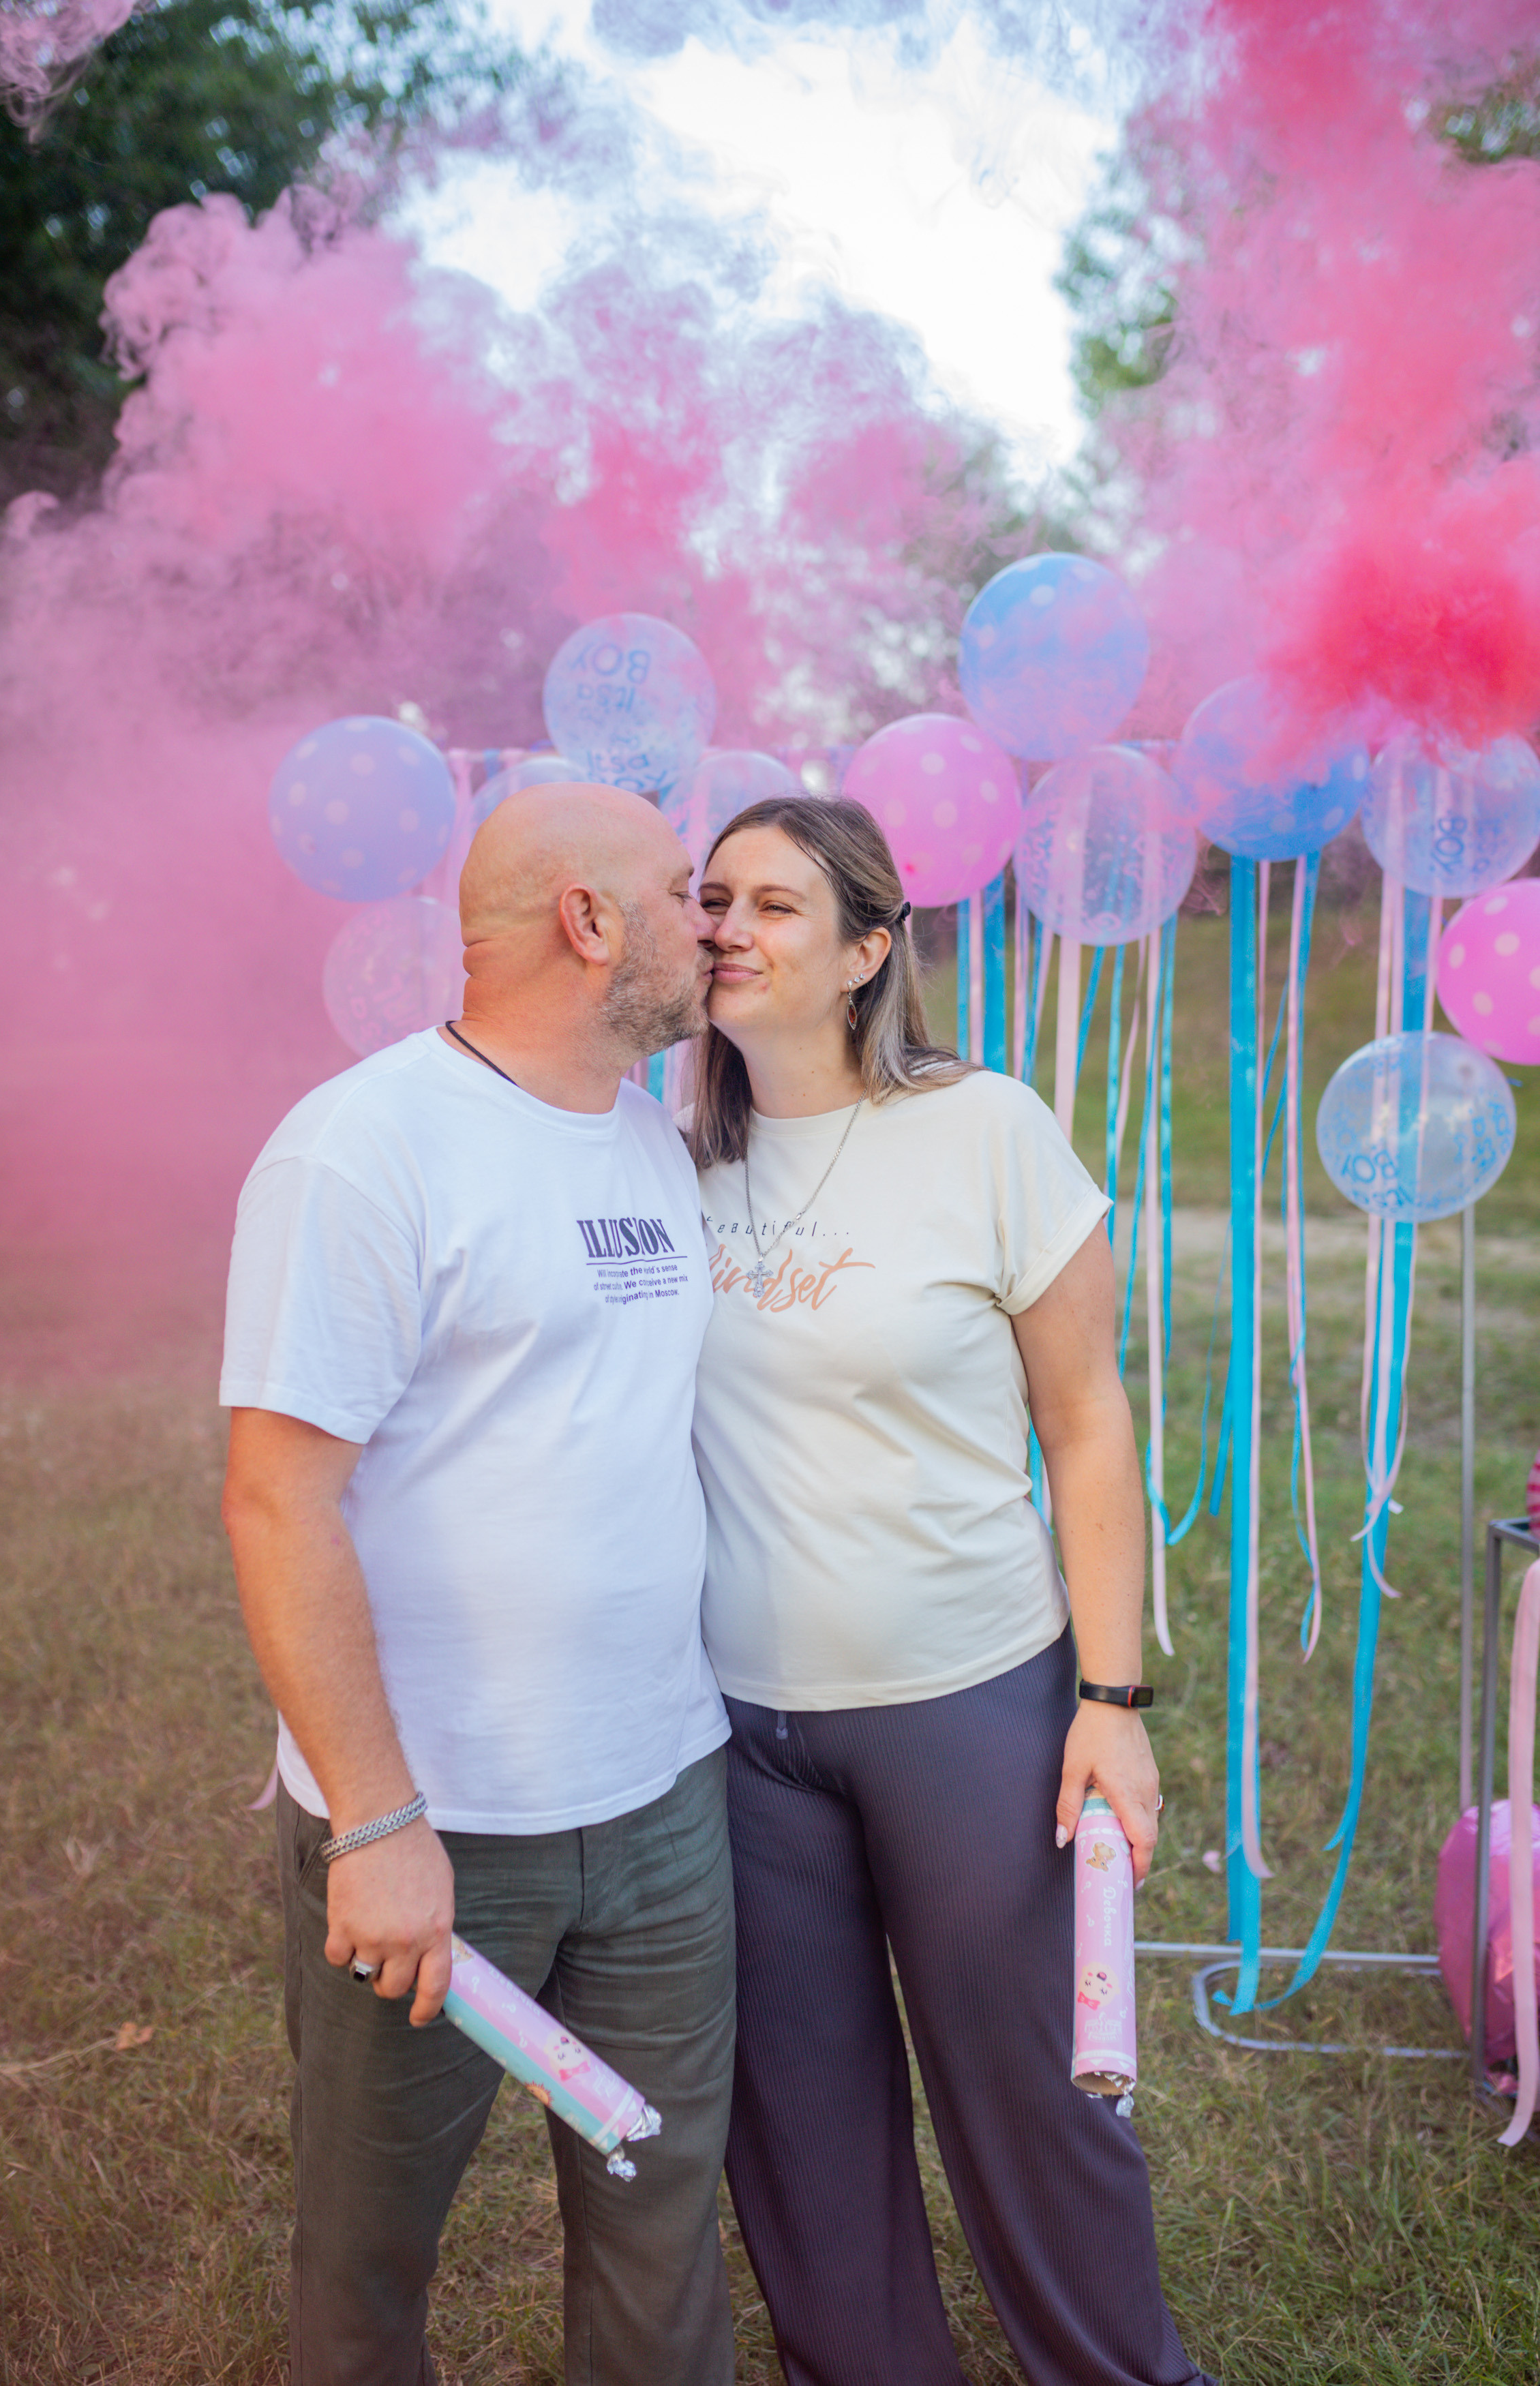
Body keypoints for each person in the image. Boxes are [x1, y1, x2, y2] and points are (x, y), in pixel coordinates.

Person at [686, 793, 1214, 2386]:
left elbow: (1088, 1419)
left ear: (867, 951)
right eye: (714, 898)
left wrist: (1109, 1699)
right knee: (798, 2118)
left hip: (966, 1697)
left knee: (1031, 2091)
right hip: (733, 1723)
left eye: (776, 904)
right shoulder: (664, 1158)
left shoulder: (986, 1129)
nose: (728, 927)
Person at [220, 784, 736, 2386]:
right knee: (370, 2257)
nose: (713, 922)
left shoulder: (646, 1134)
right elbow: (277, 1497)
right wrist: (378, 1824)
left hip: (661, 1802)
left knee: (662, 2229)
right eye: (686, 891)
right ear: (590, 921)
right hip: (436, 1827)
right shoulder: (362, 1149)